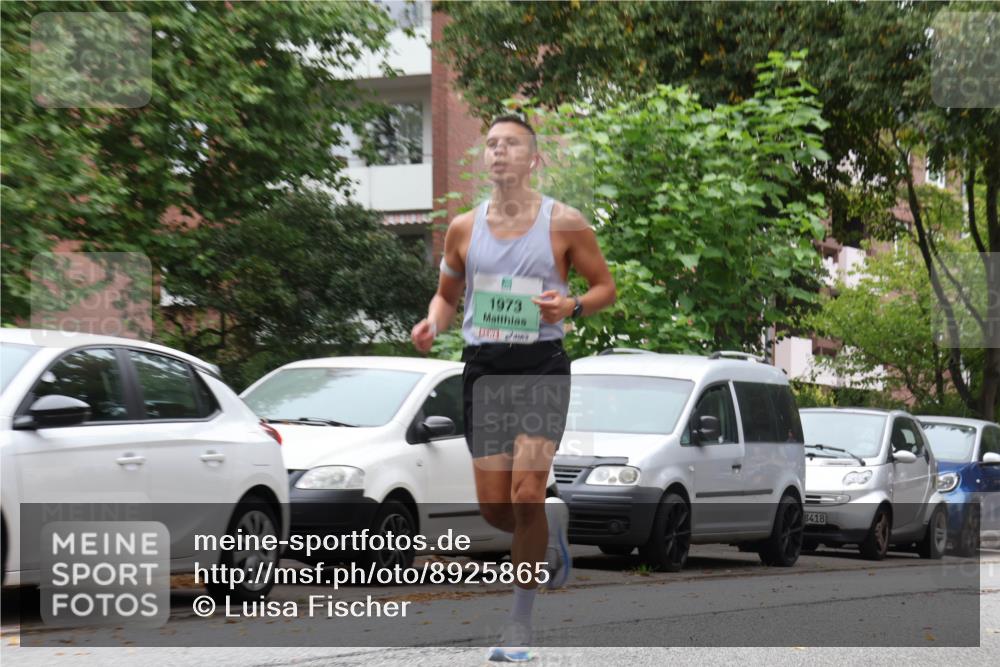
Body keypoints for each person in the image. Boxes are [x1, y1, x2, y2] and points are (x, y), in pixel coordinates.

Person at [411, 114, 616, 662]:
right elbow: (447, 296)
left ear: (534, 159)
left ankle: (519, 626)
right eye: (492, 144)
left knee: (527, 493)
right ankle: (548, 527)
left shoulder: (564, 223)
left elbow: (604, 287)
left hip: (541, 366)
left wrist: (571, 306)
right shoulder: (462, 228)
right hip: (485, 369)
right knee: (497, 510)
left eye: (512, 144)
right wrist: (432, 322)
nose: (499, 152)